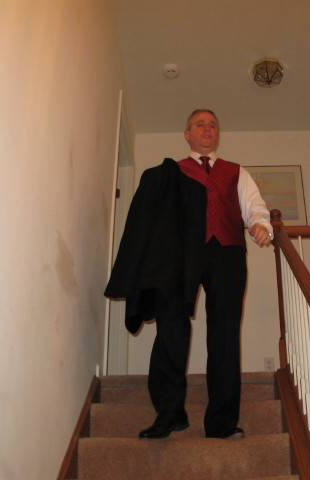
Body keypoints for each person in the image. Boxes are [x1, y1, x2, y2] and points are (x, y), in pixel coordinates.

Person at [105, 109, 272, 440]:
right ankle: (169, 413)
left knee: (225, 333)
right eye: (200, 124)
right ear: (187, 134)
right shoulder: (171, 173)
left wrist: (260, 224)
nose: (207, 129)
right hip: (180, 255)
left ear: (217, 134)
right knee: (171, 326)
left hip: (227, 253)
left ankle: (221, 424)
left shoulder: (236, 172)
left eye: (212, 125)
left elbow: (254, 206)